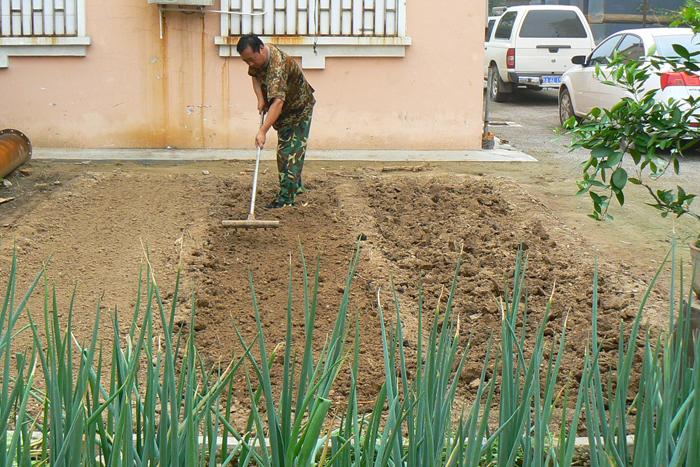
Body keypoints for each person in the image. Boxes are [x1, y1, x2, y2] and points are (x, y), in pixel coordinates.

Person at [237, 34, 316, 208]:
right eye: (246, 61)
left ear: (261, 48)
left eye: (251, 59)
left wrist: (263, 131)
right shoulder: (258, 60)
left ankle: (286, 200)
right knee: (288, 150)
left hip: (298, 110)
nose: (250, 64)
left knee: (288, 154)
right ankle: (296, 187)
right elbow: (255, 76)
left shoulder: (277, 67)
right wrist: (260, 99)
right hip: (283, 111)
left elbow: (278, 102)